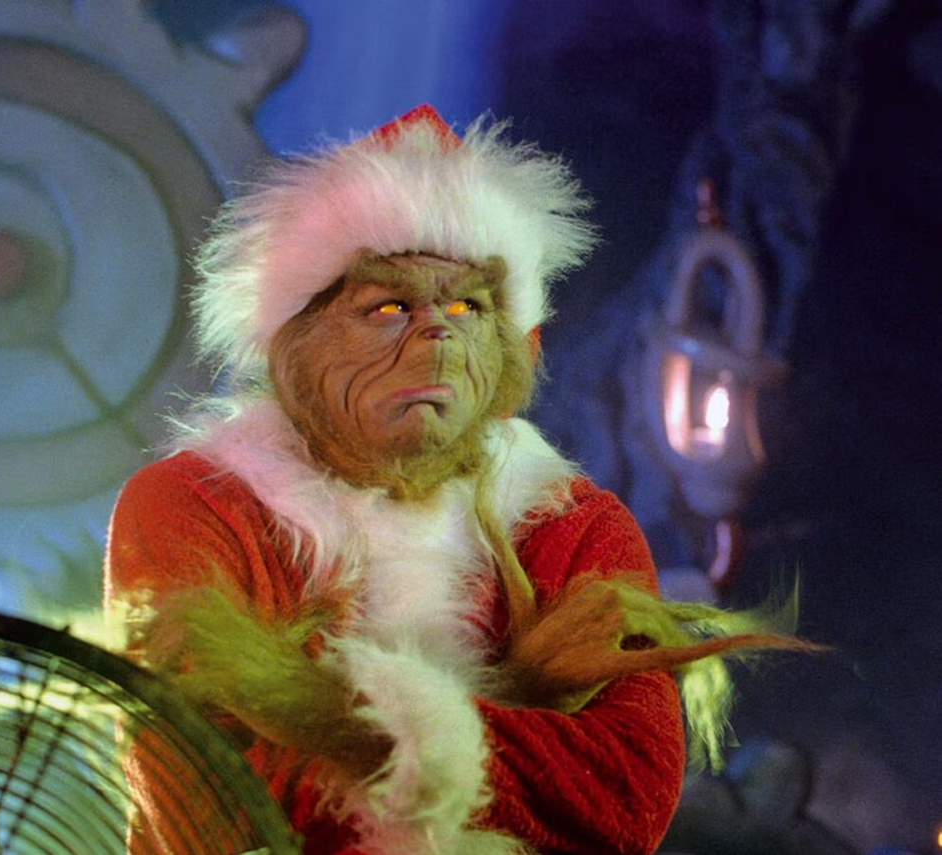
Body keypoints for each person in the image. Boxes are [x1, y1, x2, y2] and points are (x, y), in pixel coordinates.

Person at [104, 105, 799, 855]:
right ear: (294, 346)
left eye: (469, 305)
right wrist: (518, 697)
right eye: (389, 306)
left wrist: (320, 713)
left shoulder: (574, 526)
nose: (439, 331)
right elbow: (200, 799)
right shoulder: (191, 505)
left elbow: (627, 796)